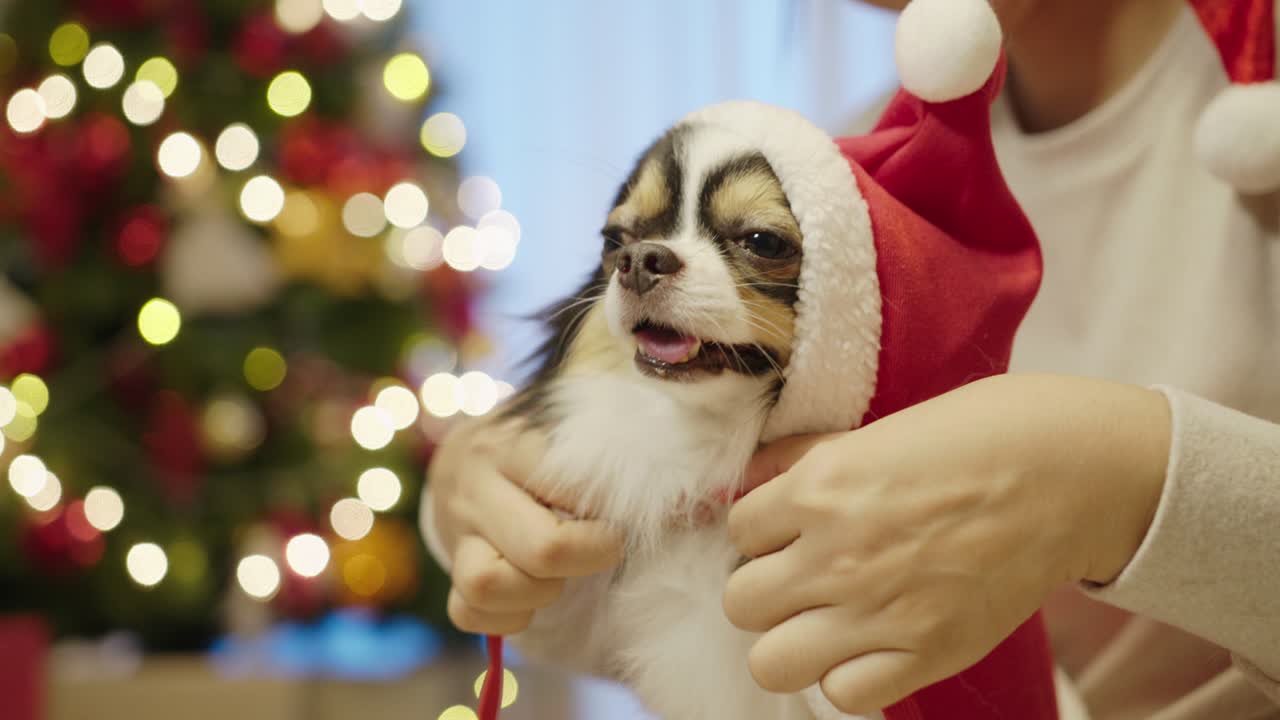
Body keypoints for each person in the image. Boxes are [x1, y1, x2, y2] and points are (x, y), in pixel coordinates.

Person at [420, 0, 1280, 717]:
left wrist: (1129, 484)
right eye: (622, 243)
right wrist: (492, 512)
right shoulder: (849, 168)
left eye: (758, 241)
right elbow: (688, 623)